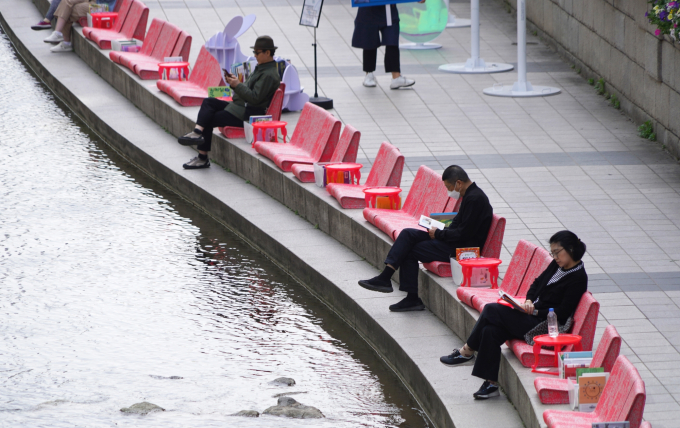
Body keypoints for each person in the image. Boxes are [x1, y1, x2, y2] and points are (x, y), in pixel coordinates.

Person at [440, 231, 588, 400]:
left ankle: (466, 352)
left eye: (557, 252)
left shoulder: (578, 277)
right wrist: (529, 301)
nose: (554, 256)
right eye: (552, 252)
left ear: (570, 249)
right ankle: (491, 385)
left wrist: (535, 311)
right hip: (532, 313)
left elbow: (562, 312)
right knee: (490, 330)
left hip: (545, 325)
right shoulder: (558, 265)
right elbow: (537, 283)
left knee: (490, 310)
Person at [358, 165, 493, 311]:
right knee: (408, 234)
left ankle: (410, 297)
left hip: (463, 250)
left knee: (410, 250)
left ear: (459, 183)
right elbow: (457, 225)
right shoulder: (469, 196)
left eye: (449, 187)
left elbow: (464, 233)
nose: (449, 191)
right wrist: (438, 230)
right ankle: (385, 277)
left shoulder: (475, 199)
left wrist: (439, 234)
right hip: (453, 241)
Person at [177, 35, 282, 170]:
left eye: (257, 52)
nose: (255, 55)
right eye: (254, 52)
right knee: (209, 102)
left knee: (208, 119)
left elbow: (255, 98)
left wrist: (237, 85)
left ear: (268, 53)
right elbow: (249, 90)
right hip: (238, 106)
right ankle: (197, 132)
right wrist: (235, 83)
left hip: (247, 113)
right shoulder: (263, 68)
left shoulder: (269, 74)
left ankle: (202, 158)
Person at [352, 3, 420, 89]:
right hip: (369, 8)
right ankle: (369, 74)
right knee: (370, 40)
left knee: (392, 41)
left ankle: (396, 77)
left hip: (389, 8)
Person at [43, 0, 116, 52]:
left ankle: (65, 41)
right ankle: (58, 34)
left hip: (102, 7)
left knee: (68, 10)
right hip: (92, 2)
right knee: (65, 2)